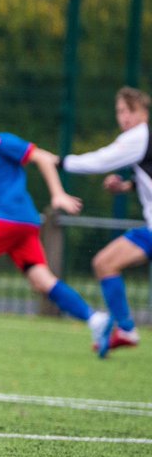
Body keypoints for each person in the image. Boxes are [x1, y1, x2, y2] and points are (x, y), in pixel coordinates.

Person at [0, 100, 109, 350]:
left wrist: (58, 194)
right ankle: (97, 320)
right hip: (23, 223)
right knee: (41, 280)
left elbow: (43, 158)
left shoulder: (1, 143)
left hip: (11, 216)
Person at [60, 86, 151, 358]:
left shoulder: (139, 135)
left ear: (144, 113)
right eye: (120, 111)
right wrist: (126, 186)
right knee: (104, 263)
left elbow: (102, 160)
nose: (124, 117)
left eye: (130, 110)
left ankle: (126, 329)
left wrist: (61, 162)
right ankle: (125, 329)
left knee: (104, 263)